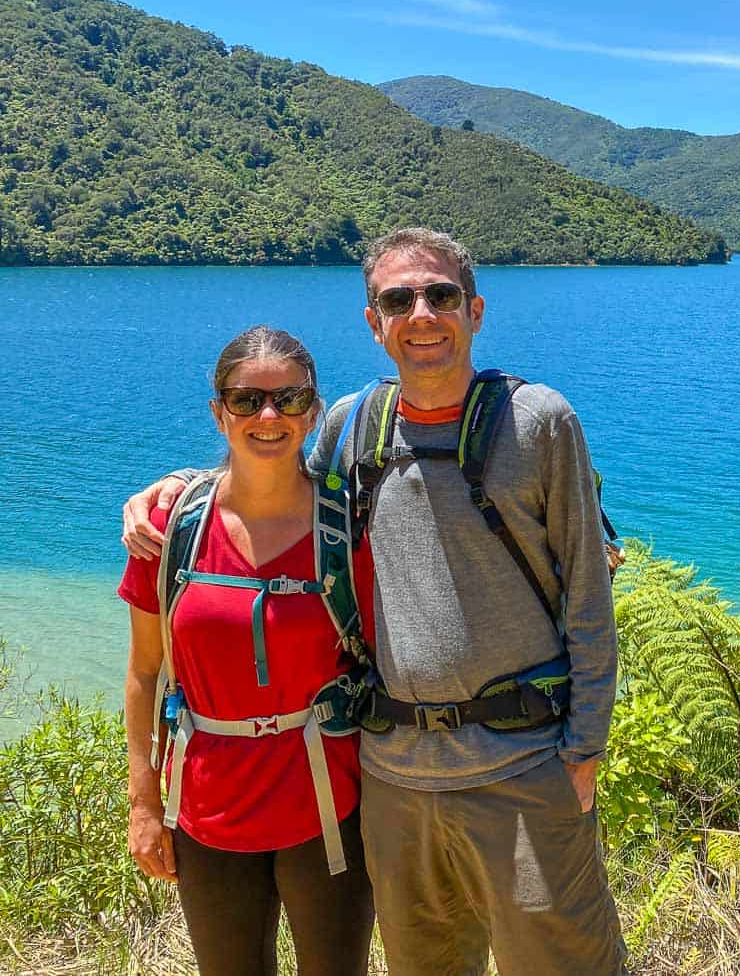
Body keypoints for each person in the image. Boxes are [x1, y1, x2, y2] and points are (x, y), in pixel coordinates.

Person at [123, 229, 625, 976]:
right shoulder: (353, 426)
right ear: (374, 321)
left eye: (440, 295)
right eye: (398, 299)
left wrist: (583, 751)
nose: (421, 313)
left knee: (559, 964)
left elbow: (589, 592)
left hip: (520, 769)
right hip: (395, 782)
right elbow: (267, 470)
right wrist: (174, 488)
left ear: (475, 310)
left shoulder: (539, 422)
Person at [120, 326, 376, 976]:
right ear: (219, 411)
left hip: (327, 810)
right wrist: (144, 803)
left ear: (314, 413)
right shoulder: (170, 527)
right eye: (246, 400)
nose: (269, 416)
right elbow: (145, 672)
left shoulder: (347, 528)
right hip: (207, 815)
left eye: (290, 400)